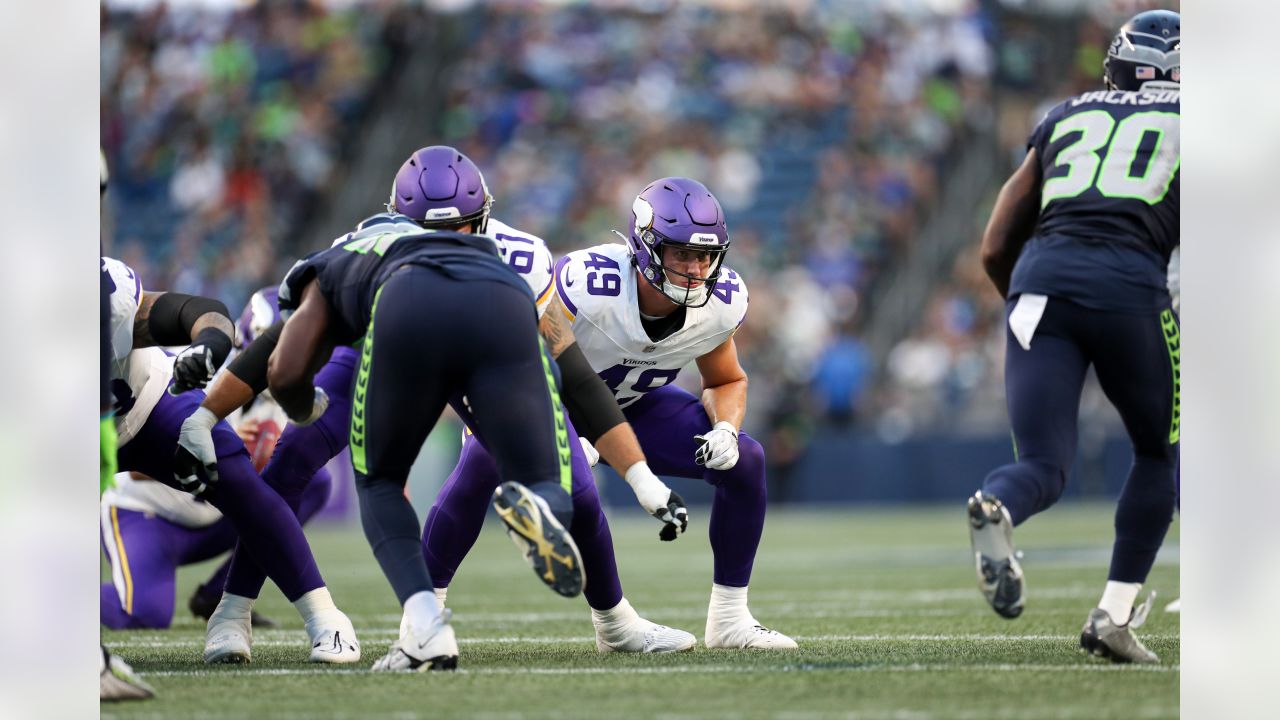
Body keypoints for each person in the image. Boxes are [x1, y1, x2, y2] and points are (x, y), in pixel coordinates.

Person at [176, 147, 696, 658]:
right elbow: (577, 375)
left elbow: (576, 373)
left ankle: (613, 622)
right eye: (432, 230)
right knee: (295, 456)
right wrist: (642, 479)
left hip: (447, 344)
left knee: (571, 485)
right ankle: (234, 608)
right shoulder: (368, 246)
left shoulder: (504, 254)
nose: (446, 242)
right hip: (399, 345)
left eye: (462, 227)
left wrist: (213, 414)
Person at [261, 146, 602, 672]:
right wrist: (641, 475)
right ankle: (544, 509)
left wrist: (286, 404)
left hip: (404, 325)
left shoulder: (363, 243)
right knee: (549, 475)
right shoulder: (520, 254)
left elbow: (283, 354)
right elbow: (560, 363)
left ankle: (424, 624)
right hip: (500, 321)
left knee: (377, 479)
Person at [427, 177, 797, 650]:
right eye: (682, 254)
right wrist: (552, 429)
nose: (696, 268)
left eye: (705, 256)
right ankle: (424, 613)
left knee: (747, 460)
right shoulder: (590, 285)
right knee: (481, 461)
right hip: (537, 399)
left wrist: (726, 427)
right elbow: (514, 356)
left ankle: (729, 618)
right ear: (645, 246)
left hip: (630, 408)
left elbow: (726, 379)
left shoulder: (721, 303)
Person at [967, 9, 1179, 663]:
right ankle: (1112, 616)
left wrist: (1033, 307)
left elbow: (998, 238)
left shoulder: (1066, 113)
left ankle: (995, 505)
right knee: (1157, 454)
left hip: (1038, 284)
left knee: (1043, 465)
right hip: (1128, 285)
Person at [102, 252, 360, 665]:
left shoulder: (111, 296)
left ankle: (317, 616)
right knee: (143, 611)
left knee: (244, 477)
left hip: (146, 407)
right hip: (144, 507)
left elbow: (199, 313)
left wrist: (207, 346)